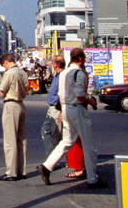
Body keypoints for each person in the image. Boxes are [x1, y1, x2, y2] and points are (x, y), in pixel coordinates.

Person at [38, 48, 106, 189]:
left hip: (66, 108)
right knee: (89, 145)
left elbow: (61, 95)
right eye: (84, 59)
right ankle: (92, 178)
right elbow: (80, 95)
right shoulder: (79, 74)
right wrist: (91, 102)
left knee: (67, 141)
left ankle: (46, 166)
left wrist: (63, 110)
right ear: (80, 59)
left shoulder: (64, 74)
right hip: (77, 108)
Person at [0, 53, 28, 181]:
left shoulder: (9, 74)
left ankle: (11, 172)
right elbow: (26, 90)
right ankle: (22, 170)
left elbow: (1, 92)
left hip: (11, 105)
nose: (5, 67)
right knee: (21, 139)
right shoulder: (22, 73)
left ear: (6, 62)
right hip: (21, 105)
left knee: (10, 140)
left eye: (4, 65)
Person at [40, 57, 64, 164]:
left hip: (57, 109)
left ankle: (52, 162)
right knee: (48, 132)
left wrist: (62, 110)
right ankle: (52, 160)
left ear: (55, 65)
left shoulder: (61, 77)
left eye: (52, 63)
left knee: (53, 134)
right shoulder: (58, 76)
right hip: (52, 109)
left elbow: (62, 95)